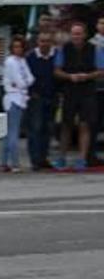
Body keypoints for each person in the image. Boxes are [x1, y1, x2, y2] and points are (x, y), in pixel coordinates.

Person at [54, 22, 104, 170]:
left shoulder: (95, 49)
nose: (76, 36)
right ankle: (61, 157)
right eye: (74, 33)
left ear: (85, 34)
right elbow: (56, 70)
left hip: (87, 91)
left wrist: (87, 76)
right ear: (71, 35)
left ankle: (81, 159)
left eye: (79, 33)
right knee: (66, 125)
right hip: (70, 90)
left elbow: (101, 70)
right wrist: (70, 77)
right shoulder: (64, 49)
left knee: (85, 125)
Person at [2, 35, 35, 172]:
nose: (18, 49)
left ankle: (5, 162)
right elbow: (21, 81)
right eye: (15, 46)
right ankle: (14, 163)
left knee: (10, 132)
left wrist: (23, 83)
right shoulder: (10, 61)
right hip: (13, 99)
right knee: (12, 132)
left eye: (20, 46)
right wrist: (22, 83)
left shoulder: (22, 61)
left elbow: (31, 78)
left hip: (20, 98)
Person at [26, 31, 58, 170]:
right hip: (36, 98)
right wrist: (31, 93)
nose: (45, 44)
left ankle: (44, 158)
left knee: (48, 129)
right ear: (37, 42)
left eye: (47, 41)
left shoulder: (56, 56)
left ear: (51, 42)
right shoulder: (30, 57)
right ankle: (35, 160)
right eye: (42, 41)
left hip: (52, 97)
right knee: (35, 129)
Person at [90, 15, 104, 165]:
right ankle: (91, 154)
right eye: (101, 23)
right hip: (96, 88)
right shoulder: (92, 44)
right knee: (94, 122)